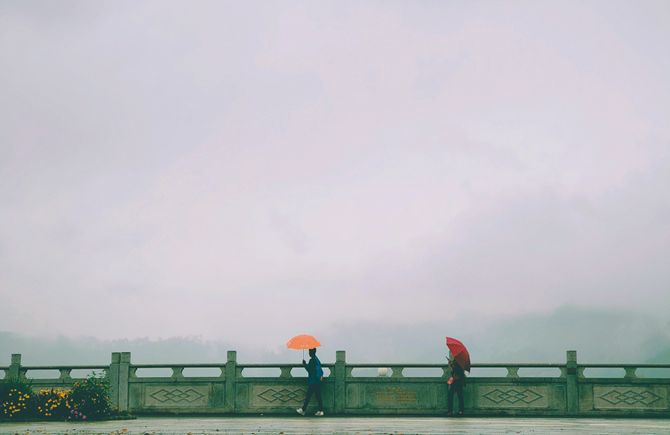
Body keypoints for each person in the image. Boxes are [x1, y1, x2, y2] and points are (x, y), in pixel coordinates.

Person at [296, 348, 324, 416]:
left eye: (309, 352)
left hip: (313, 380)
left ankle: (303, 410)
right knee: (318, 396)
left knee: (309, 395)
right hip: (317, 380)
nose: (309, 353)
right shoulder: (317, 359)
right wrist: (321, 376)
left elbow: (309, 369)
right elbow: (320, 370)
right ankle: (321, 410)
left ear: (312, 352)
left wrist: (305, 364)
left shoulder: (312, 360)